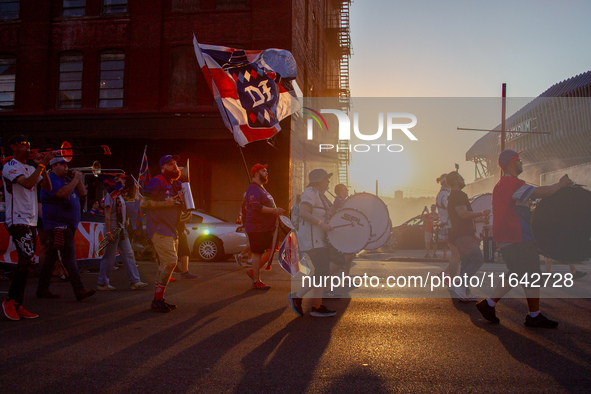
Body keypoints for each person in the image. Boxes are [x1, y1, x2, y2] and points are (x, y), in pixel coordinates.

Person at [476, 149, 573, 328]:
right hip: (517, 236)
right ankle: (496, 306)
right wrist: (560, 185)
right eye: (518, 160)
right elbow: (540, 192)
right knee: (527, 273)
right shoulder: (511, 183)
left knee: (520, 272)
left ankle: (501, 307)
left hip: (512, 236)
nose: (521, 163)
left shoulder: (504, 184)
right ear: (511, 163)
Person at [2, 135, 53, 321]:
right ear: (13, 147)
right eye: (24, 144)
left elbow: (47, 187)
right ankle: (10, 301)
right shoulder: (10, 167)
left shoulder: (32, 168)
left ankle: (17, 303)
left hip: (30, 220)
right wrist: (40, 166)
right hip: (17, 219)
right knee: (25, 261)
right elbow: (28, 183)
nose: (28, 147)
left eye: (29, 144)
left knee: (27, 262)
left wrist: (43, 167)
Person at [36, 157, 96, 301]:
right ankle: (79, 289)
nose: (65, 167)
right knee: (69, 256)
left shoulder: (67, 179)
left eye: (66, 164)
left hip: (67, 224)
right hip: (58, 225)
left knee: (51, 258)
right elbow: (61, 194)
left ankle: (42, 289)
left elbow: (82, 194)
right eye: (62, 164)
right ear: (54, 166)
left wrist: (78, 179)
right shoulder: (51, 179)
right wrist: (75, 180)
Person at [287, 168, 338, 318]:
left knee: (322, 271)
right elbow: (303, 212)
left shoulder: (320, 195)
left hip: (318, 239)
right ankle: (297, 296)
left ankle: (317, 306)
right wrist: (322, 225)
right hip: (311, 239)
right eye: (326, 179)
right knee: (322, 271)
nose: (328, 181)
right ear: (318, 180)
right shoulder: (311, 192)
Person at [141, 154, 185, 312]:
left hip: (171, 230)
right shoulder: (157, 181)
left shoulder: (175, 184)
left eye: (175, 163)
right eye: (170, 164)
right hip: (159, 228)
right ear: (163, 168)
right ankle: (157, 300)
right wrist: (163, 203)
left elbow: (175, 206)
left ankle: (158, 299)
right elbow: (143, 203)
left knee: (166, 265)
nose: (175, 166)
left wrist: (183, 213)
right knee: (171, 262)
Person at [97, 175, 149, 291]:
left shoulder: (119, 196)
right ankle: (102, 283)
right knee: (109, 257)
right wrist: (109, 232)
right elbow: (107, 216)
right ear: (115, 181)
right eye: (122, 179)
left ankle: (135, 281)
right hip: (114, 227)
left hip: (121, 228)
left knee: (128, 254)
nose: (124, 181)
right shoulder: (110, 195)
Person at [446, 171, 490, 302]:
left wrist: (480, 219)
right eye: (461, 178)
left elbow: (464, 218)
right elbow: (463, 214)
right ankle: (460, 285)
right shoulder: (459, 195)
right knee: (477, 259)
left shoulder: (453, 196)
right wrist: (481, 213)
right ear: (455, 182)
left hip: (460, 233)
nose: (463, 179)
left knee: (466, 263)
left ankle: (465, 292)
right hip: (463, 234)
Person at [243, 163, 284, 289]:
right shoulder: (254, 188)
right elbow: (256, 206)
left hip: (265, 227)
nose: (267, 173)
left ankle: (254, 272)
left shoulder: (261, 188)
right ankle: (256, 281)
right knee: (257, 253)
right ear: (256, 173)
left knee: (271, 249)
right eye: (264, 171)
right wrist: (274, 211)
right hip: (257, 227)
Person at [436, 173, 459, 285]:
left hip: (449, 226)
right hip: (450, 226)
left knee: (457, 253)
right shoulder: (444, 194)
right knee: (456, 254)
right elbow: (451, 207)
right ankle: (450, 278)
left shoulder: (443, 193)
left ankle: (446, 274)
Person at [333, 184, 355, 277]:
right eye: (345, 189)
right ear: (340, 190)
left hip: (345, 231)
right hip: (341, 232)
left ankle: (346, 276)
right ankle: (333, 274)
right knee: (348, 255)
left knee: (350, 255)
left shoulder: (343, 201)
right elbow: (333, 212)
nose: (347, 191)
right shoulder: (338, 200)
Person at [175, 211, 198, 279]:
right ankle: (168, 273)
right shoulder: (172, 206)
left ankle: (184, 272)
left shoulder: (180, 208)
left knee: (185, 251)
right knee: (173, 253)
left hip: (179, 232)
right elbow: (175, 219)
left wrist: (185, 227)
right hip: (173, 231)